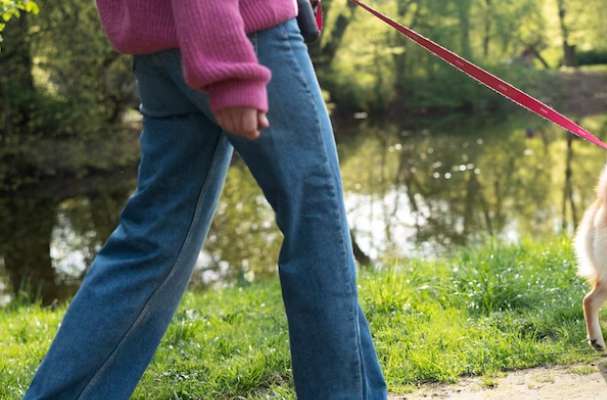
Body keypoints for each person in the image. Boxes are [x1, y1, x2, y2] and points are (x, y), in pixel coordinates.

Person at [23, 1, 387, 399]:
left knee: (152, 242)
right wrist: (227, 67)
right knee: (317, 225)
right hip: (240, 34)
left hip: (162, 45)